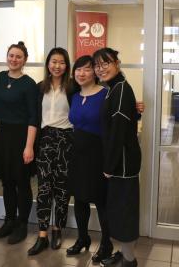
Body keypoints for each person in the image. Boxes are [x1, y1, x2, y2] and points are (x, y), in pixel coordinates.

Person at [93, 48, 141, 267]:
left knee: (125, 212)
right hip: (118, 162)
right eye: (97, 65)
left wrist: (110, 165)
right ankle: (124, 254)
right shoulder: (114, 88)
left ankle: (129, 260)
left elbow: (119, 131)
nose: (101, 69)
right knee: (119, 210)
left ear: (117, 63)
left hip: (122, 163)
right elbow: (125, 118)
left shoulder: (120, 89)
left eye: (106, 64)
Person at [27, 47, 75, 256]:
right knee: (44, 188)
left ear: (67, 65)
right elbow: (33, 119)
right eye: (53, 62)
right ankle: (42, 234)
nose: (57, 66)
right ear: (48, 64)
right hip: (45, 140)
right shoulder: (40, 88)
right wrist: (29, 145)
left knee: (62, 189)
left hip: (66, 140)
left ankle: (58, 229)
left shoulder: (73, 87)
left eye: (61, 62)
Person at [0, 41, 38, 245]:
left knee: (22, 182)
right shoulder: (0, 77)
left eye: (18, 56)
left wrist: (29, 146)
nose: (14, 59)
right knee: (6, 181)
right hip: (1, 135)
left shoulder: (29, 84)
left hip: (21, 137)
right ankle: (9, 221)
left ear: (24, 60)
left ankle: (21, 224)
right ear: (6, 56)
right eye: (11, 55)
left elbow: (33, 117)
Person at [66, 55, 112, 263]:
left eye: (86, 69)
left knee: (101, 200)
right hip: (77, 153)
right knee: (80, 198)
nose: (81, 73)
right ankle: (83, 238)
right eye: (78, 69)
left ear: (95, 72)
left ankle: (106, 243)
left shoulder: (106, 94)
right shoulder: (74, 95)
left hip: (98, 154)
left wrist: (137, 110)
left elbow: (119, 119)